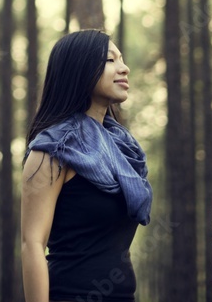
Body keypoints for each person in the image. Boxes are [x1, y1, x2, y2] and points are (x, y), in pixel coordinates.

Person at [21, 30, 153, 302]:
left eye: (123, 59)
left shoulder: (121, 148)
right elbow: (32, 244)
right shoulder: (53, 149)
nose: (124, 68)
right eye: (111, 60)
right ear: (79, 68)